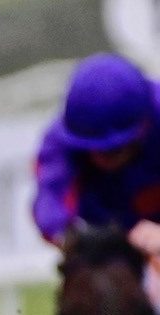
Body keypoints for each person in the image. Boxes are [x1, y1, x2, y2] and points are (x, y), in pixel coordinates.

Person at [33, 52, 160, 251]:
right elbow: (49, 202)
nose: (100, 158)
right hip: (107, 236)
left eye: (113, 150)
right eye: (90, 148)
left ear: (142, 127)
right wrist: (67, 235)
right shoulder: (60, 141)